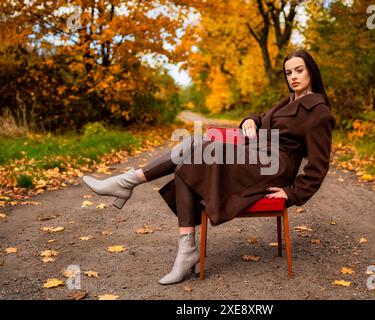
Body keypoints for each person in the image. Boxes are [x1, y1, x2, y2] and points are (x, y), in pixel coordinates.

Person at [82, 49, 336, 285]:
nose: (293, 76)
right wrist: (250, 119)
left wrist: (293, 194)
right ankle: (186, 250)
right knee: (192, 156)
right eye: (288, 72)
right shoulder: (290, 99)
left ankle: (127, 183)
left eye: (299, 70)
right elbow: (264, 120)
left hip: (272, 166)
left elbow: (318, 165)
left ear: (311, 71)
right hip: (255, 155)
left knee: (199, 147)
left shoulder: (318, 111)